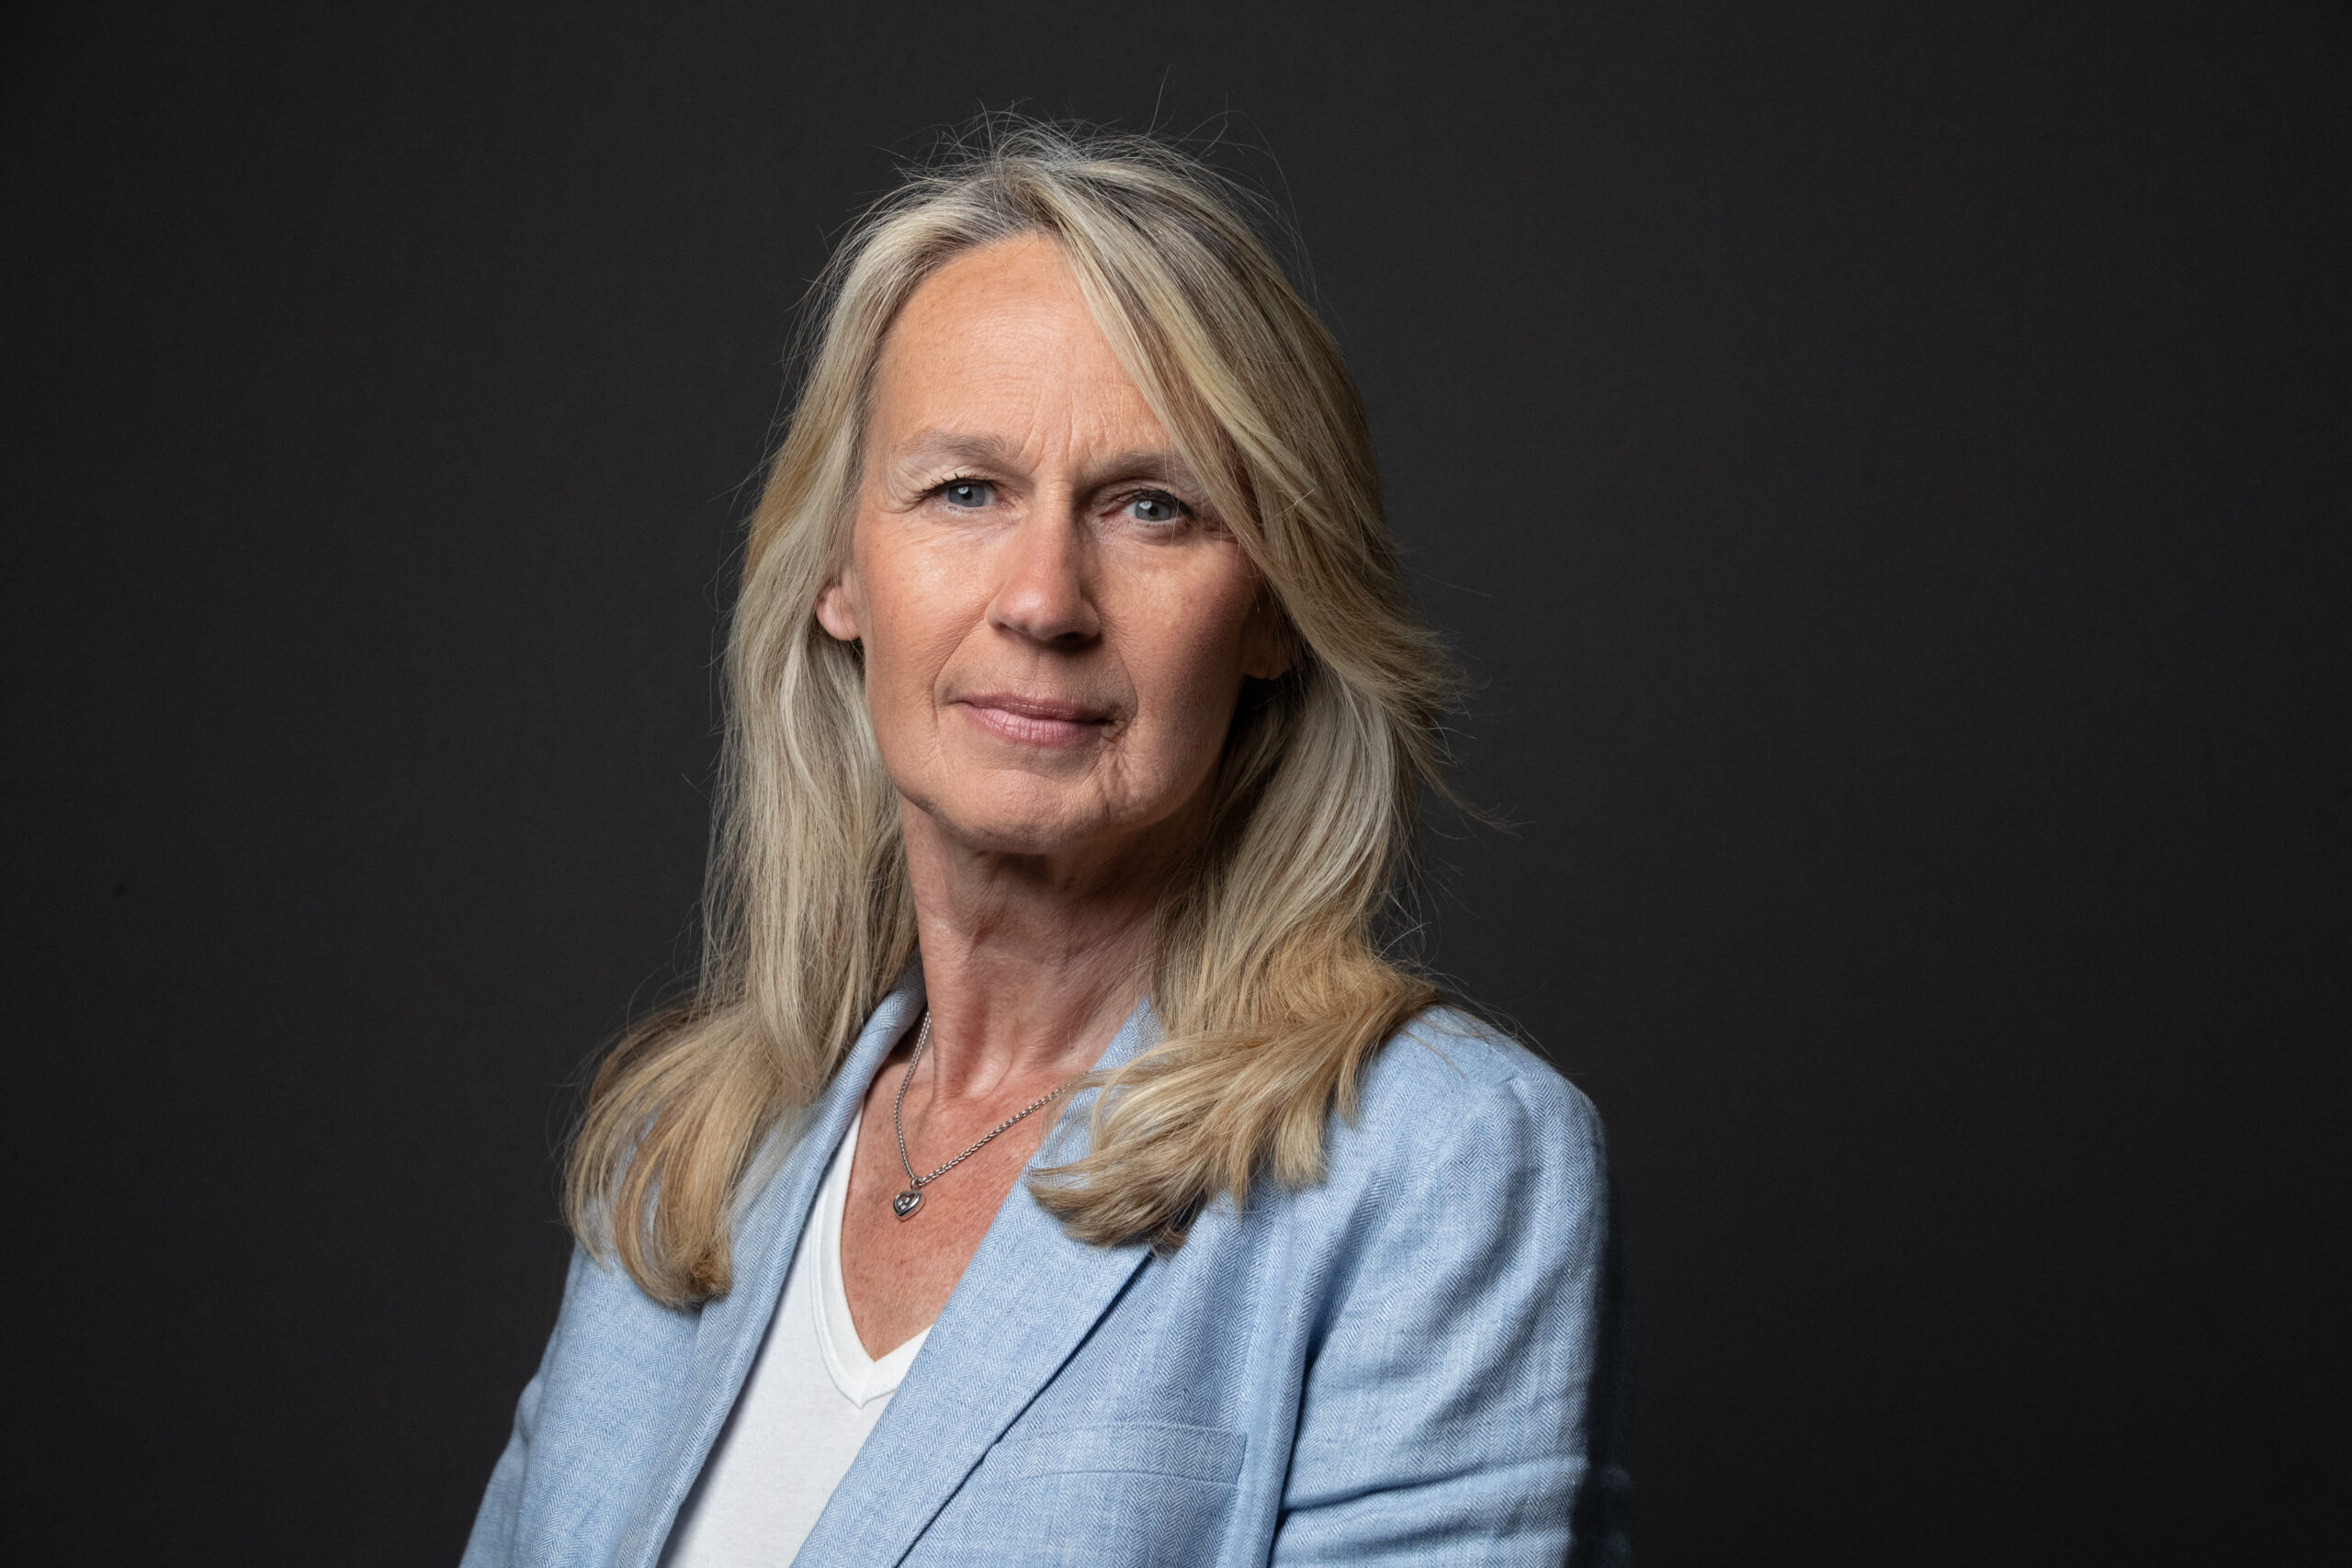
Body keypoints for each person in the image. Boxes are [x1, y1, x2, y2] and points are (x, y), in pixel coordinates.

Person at [461, 121, 1629, 1568]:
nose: (1043, 600)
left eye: (1153, 508)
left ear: (1274, 611)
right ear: (838, 572)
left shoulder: (1437, 1165)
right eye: (966, 490)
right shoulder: (686, 1158)